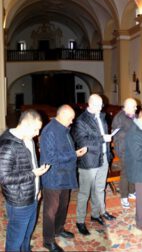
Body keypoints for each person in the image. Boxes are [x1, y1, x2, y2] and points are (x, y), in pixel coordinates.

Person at [0, 110, 50, 251]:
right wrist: (33, 174)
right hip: (19, 202)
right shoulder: (7, 145)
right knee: (15, 240)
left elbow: (33, 165)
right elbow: (4, 178)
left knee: (27, 234)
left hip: (31, 196)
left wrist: (37, 189)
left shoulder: (28, 140)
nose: (37, 133)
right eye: (36, 129)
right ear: (25, 124)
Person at [40, 105, 87, 251]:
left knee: (63, 206)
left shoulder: (63, 129)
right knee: (50, 210)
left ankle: (58, 229)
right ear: (63, 116)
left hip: (65, 175)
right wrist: (74, 154)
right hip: (53, 177)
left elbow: (65, 150)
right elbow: (51, 158)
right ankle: (48, 240)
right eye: (71, 119)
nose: (72, 122)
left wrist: (74, 152)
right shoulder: (49, 131)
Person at [71, 94, 116, 236]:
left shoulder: (102, 117)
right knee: (84, 193)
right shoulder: (81, 121)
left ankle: (97, 214)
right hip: (88, 161)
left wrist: (107, 151)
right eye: (98, 104)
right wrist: (103, 139)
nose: (101, 107)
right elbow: (83, 141)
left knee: (100, 189)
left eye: (102, 104)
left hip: (103, 158)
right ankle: (80, 221)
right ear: (90, 104)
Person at [112, 98, 137, 209]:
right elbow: (116, 136)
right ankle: (124, 197)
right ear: (126, 107)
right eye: (134, 106)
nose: (136, 108)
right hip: (124, 149)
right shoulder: (120, 118)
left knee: (133, 171)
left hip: (133, 148)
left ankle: (132, 191)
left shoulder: (133, 116)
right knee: (126, 173)